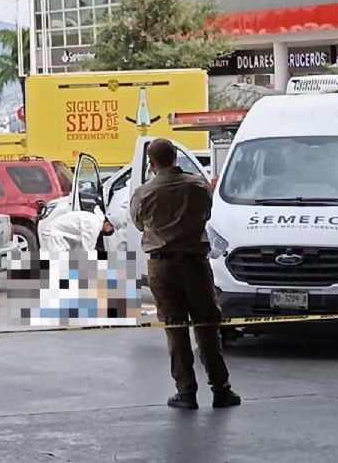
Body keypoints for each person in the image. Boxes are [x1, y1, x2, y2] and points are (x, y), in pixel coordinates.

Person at [130, 139, 240, 410]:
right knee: (207, 325)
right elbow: (206, 213)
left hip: (162, 266)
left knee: (175, 328)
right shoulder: (197, 186)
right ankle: (221, 388)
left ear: (151, 164)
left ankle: (186, 392)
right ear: (176, 157)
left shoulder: (144, 193)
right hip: (195, 264)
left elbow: (138, 222)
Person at [39, 206, 115, 252]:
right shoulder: (94, 225)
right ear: (108, 224)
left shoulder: (94, 220)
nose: (111, 231)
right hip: (54, 235)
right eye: (112, 229)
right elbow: (87, 248)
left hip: (57, 234)